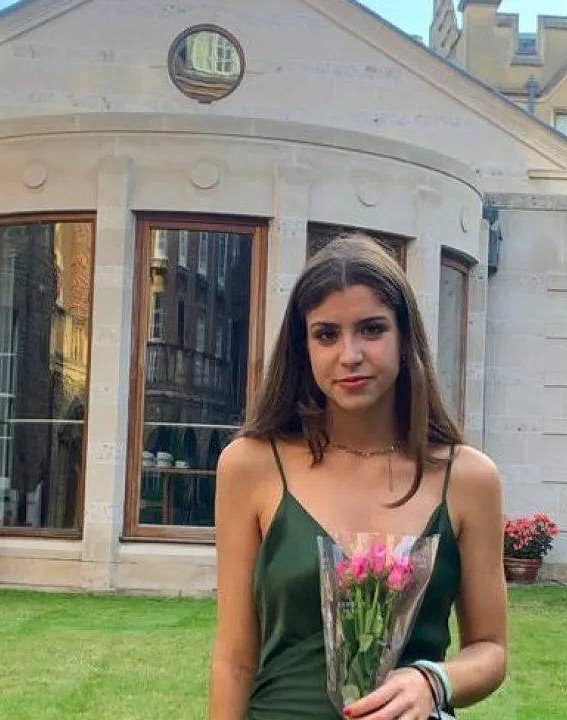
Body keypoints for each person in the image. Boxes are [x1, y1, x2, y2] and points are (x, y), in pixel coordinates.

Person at [209, 235, 507, 720]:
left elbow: (491, 649)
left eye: (371, 330)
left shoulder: (468, 478)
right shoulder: (252, 466)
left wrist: (433, 680)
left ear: (405, 338)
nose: (349, 355)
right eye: (326, 334)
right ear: (303, 347)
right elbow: (234, 660)